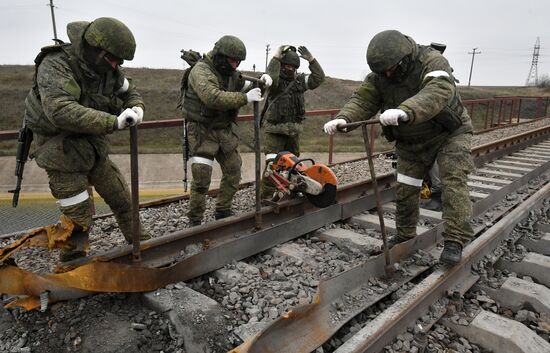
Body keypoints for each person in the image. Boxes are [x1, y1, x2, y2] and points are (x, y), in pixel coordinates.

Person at [323, 30, 474, 265]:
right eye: (383, 72)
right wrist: (345, 119)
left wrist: (406, 110)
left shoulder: (432, 61)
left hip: (448, 134)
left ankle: (455, 239)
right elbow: (364, 100)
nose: (387, 75)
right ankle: (404, 236)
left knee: (452, 180)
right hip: (411, 140)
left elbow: (438, 90)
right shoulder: (381, 75)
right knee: (406, 188)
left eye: (390, 69)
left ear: (403, 59)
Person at [24, 17, 149, 262]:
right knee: (78, 218)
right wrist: (112, 122)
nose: (116, 65)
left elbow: (128, 90)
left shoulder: (108, 68)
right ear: (95, 50)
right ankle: (73, 267)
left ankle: (143, 247)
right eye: (112, 59)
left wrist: (136, 106)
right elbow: (60, 110)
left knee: (123, 199)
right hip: (61, 153)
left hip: (93, 148)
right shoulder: (56, 64)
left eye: (119, 61)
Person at [182, 35, 271, 226]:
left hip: (224, 130)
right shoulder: (201, 71)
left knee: (233, 169)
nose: (235, 65)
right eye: (232, 60)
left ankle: (223, 210)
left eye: (238, 62)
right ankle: (195, 221)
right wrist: (244, 98)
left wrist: (262, 81)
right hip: (202, 131)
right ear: (221, 56)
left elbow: (249, 86)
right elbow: (212, 97)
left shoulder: (230, 72)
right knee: (201, 179)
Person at [260, 45, 325, 199]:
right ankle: (266, 197)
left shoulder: (299, 81)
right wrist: (275, 58)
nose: (289, 69)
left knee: (293, 166)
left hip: (293, 132)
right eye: (287, 65)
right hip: (275, 131)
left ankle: (292, 191)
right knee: (272, 166)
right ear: (281, 65)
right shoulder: (274, 82)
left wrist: (312, 60)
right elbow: (271, 78)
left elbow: (319, 78)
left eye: (293, 66)